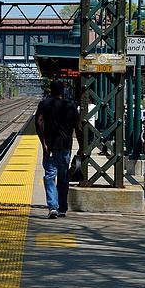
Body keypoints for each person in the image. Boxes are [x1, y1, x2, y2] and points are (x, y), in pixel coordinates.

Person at [35, 79, 82, 219]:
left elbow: (38, 121)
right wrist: (81, 146)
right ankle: (62, 207)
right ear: (63, 91)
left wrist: (43, 143)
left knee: (50, 176)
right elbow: (78, 128)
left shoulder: (44, 104)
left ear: (51, 90)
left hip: (49, 147)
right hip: (65, 147)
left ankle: (53, 206)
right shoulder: (71, 106)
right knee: (63, 177)